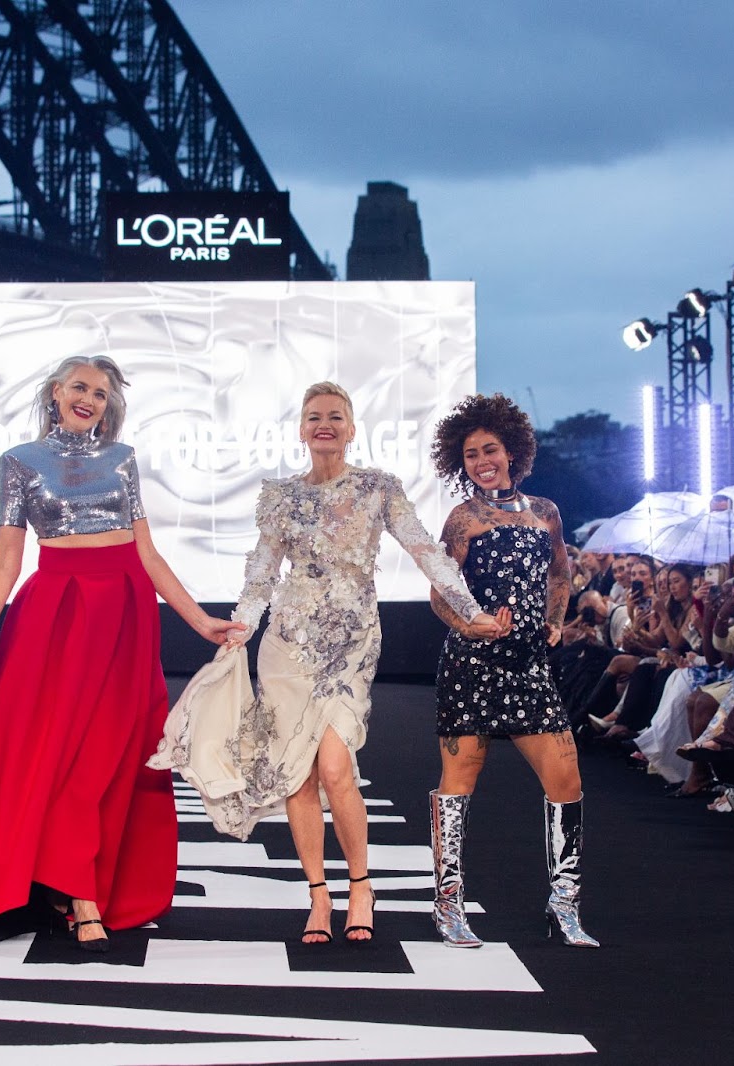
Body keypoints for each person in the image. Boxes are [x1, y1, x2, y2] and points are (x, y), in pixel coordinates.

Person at [154, 382, 500, 947]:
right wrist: (240, 624)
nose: (325, 425)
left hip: (351, 644)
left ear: (352, 427)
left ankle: (360, 886)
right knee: (298, 775)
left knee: (337, 768)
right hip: (286, 646)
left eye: (335, 416)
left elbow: (424, 551)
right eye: (314, 416)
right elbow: (262, 573)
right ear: (300, 429)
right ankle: (318, 894)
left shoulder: (378, 488)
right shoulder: (281, 496)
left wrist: (470, 609)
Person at [0, 355, 241, 952]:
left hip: (126, 615)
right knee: (56, 753)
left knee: (117, 753)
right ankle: (79, 891)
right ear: (55, 392)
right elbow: (6, 559)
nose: (89, 400)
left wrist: (198, 618)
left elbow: (147, 553)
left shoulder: (121, 459)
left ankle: (87, 881)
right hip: (57, 616)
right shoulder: (20, 462)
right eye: (79, 388)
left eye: (101, 394)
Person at [425, 393, 597, 949]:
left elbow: (559, 576)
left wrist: (553, 621)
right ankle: (448, 906)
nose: (482, 461)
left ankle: (564, 906)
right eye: (471, 454)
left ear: (513, 451)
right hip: (472, 665)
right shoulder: (464, 518)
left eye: (490, 449)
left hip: (527, 665)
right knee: (458, 786)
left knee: (565, 782)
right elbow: (439, 592)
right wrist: (471, 624)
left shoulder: (546, 511)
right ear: (462, 462)